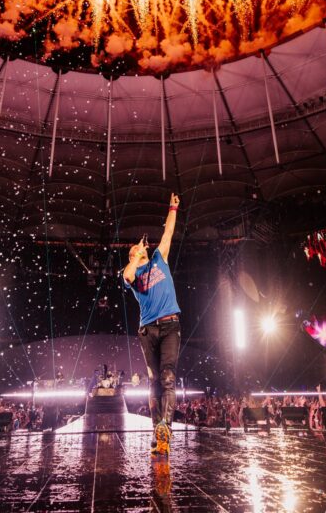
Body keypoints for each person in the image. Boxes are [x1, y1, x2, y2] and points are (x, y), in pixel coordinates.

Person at [123, 192, 181, 456]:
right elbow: (127, 274)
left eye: (141, 248)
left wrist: (172, 208)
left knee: (168, 378)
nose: (141, 248)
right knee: (154, 381)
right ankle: (156, 432)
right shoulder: (133, 273)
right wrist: (135, 254)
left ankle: (165, 429)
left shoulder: (159, 258)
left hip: (170, 325)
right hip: (148, 330)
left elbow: (168, 232)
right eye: (135, 250)